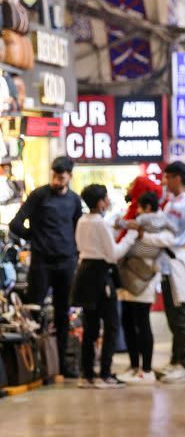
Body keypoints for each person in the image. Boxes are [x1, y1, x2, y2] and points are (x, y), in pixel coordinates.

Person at [11, 156, 83, 377]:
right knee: (33, 310)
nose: (57, 180)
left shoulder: (74, 200)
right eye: (54, 176)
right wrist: (33, 237)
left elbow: (79, 228)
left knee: (63, 314)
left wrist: (77, 253)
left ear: (69, 177)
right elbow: (16, 224)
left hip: (66, 262)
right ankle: (33, 365)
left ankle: (62, 364)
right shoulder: (39, 195)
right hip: (42, 262)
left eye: (61, 177)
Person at [71, 184, 138, 389]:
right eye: (106, 198)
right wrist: (131, 236)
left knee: (90, 327)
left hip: (84, 273)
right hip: (101, 275)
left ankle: (88, 373)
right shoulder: (100, 223)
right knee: (111, 325)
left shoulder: (83, 220)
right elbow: (113, 254)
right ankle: (106, 374)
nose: (108, 201)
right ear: (101, 202)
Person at [150, 161, 185, 384]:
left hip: (175, 263)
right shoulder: (173, 202)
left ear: (177, 178)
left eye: (168, 177)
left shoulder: (179, 205)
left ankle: (183, 363)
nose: (165, 182)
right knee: (173, 315)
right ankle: (176, 361)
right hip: (169, 263)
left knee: (179, 314)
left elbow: (164, 234)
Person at [117, 191, 170, 385]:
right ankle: (137, 367)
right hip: (142, 277)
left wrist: (140, 234)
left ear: (147, 207)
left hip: (137, 277)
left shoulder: (140, 222)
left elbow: (126, 241)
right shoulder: (164, 223)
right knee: (135, 322)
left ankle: (143, 369)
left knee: (136, 323)